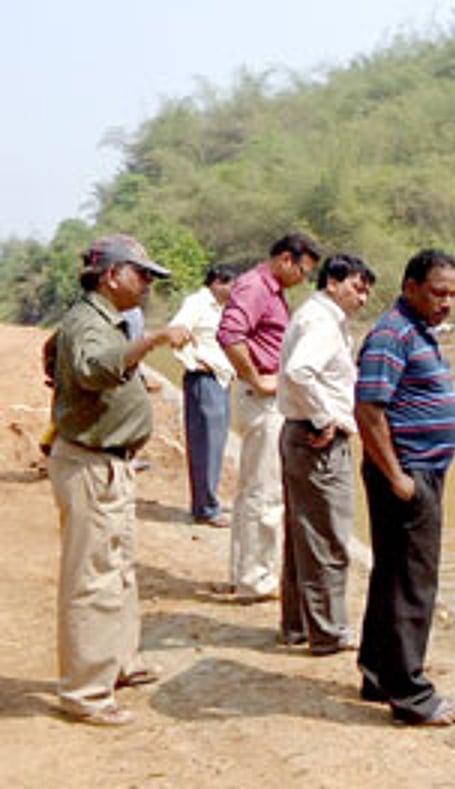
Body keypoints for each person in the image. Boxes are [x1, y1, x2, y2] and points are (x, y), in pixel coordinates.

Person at [47, 234, 193, 726]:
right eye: (142, 274)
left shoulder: (102, 321)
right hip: (90, 462)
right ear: (112, 275)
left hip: (110, 462)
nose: (148, 284)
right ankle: (85, 692)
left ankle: (118, 662)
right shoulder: (87, 321)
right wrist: (151, 342)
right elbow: (90, 369)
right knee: (92, 579)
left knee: (118, 569)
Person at [354, 248, 455, 727]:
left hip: (419, 473)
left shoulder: (418, 330)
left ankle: (379, 672)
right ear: (411, 287)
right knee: (414, 584)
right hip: (406, 475)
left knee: (394, 576)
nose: (446, 302)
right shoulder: (392, 334)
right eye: (438, 292)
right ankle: (411, 696)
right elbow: (369, 410)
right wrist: (399, 479)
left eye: (453, 294)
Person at [277, 254, 376, 656]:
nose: (363, 298)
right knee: (329, 537)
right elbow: (300, 371)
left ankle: (299, 624)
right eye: (357, 287)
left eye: (367, 290)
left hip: (300, 434)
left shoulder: (317, 317)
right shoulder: (321, 322)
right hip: (316, 439)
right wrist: (324, 418)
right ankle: (329, 631)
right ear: (332, 283)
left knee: (303, 532)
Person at [217, 232, 321, 603]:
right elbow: (230, 334)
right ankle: (256, 579)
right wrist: (255, 377)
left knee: (254, 490)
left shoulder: (269, 290)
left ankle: (245, 571)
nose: (303, 279)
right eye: (303, 271)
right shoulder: (256, 287)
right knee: (265, 492)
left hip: (266, 397)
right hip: (263, 400)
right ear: (286, 260)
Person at [169, 263, 237, 527]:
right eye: (233, 285)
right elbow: (177, 330)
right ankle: (205, 508)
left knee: (216, 443)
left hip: (218, 380)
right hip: (204, 379)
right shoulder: (197, 302)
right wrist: (192, 360)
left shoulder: (221, 309)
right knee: (205, 444)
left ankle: (208, 500)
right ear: (218, 282)